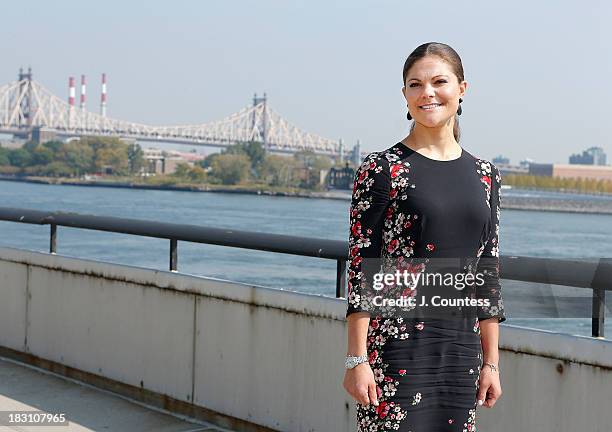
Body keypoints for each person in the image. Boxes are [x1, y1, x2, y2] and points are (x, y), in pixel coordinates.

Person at [342, 42, 506, 431]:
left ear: (462, 89)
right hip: (396, 350)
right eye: (415, 84)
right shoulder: (383, 168)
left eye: (438, 81)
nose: (427, 93)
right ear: (405, 95)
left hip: (460, 351)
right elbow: (362, 267)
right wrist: (356, 360)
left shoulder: (485, 174)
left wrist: (491, 362)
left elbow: (487, 270)